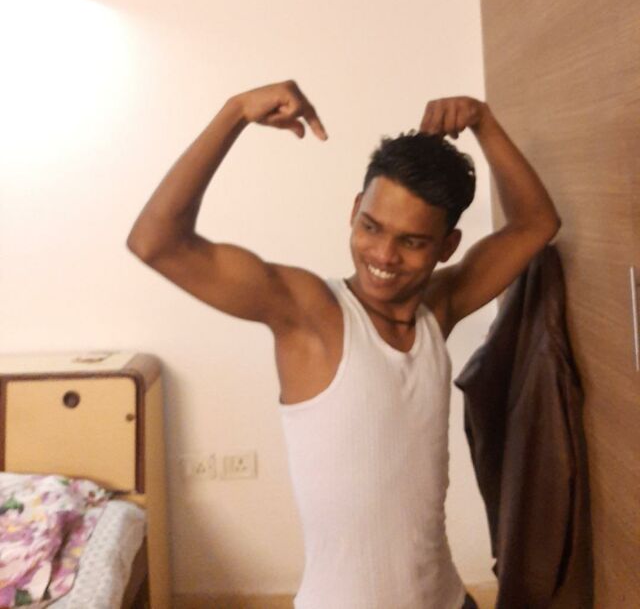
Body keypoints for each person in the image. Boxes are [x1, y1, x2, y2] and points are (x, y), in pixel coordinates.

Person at [126, 80, 561, 609]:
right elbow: (155, 242)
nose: (384, 255)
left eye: (412, 241)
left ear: (447, 246)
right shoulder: (312, 315)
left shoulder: (439, 310)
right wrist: (234, 112)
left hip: (448, 600)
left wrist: (483, 122)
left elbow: (537, 224)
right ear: (355, 209)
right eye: (371, 226)